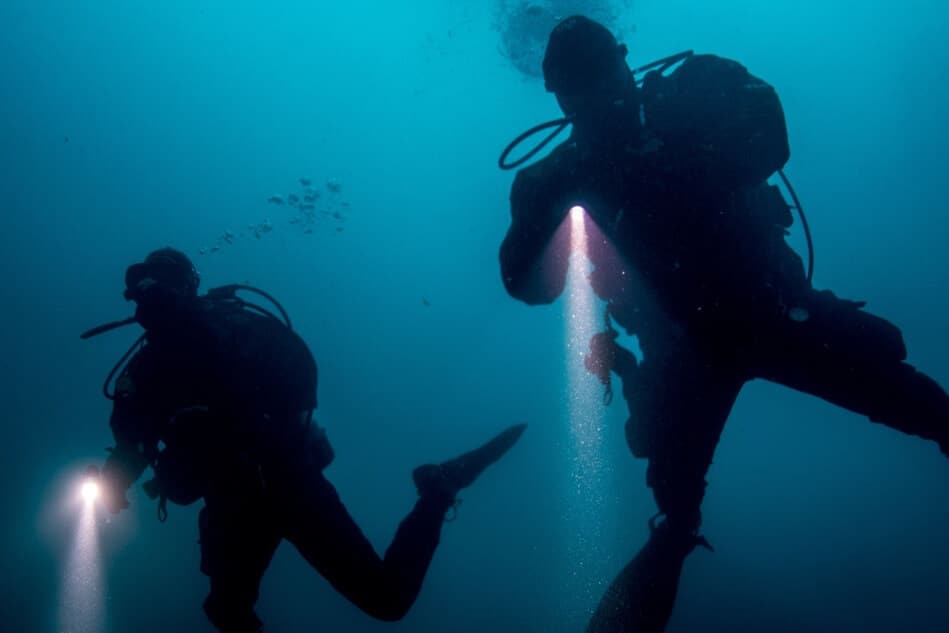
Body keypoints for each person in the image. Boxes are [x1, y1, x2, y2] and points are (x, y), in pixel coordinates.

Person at [498, 15, 949, 633]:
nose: (598, 95)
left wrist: (670, 167)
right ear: (559, 97)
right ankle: (671, 545)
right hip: (690, 350)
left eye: (601, 75)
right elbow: (529, 287)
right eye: (579, 87)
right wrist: (538, 212)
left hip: (770, 310)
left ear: (625, 62)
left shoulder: (691, 89)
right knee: (675, 502)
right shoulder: (560, 177)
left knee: (901, 389)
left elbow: (771, 132)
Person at [88, 247, 527, 633]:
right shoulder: (145, 372)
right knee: (227, 611)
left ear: (187, 287)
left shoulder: (227, 334)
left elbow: (295, 383)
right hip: (237, 501)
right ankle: (437, 489)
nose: (152, 290)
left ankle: (438, 490)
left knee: (385, 601)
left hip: (286, 483)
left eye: (162, 280)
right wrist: (115, 480)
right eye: (146, 282)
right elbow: (132, 444)